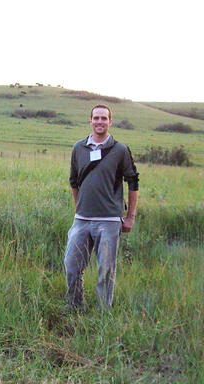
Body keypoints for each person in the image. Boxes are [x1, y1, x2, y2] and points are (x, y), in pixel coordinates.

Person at [64, 104, 139, 311]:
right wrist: (78, 208)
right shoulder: (78, 148)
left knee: (106, 271)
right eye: (96, 118)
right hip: (82, 220)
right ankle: (74, 308)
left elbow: (133, 182)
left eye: (104, 118)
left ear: (110, 122)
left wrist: (130, 217)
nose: (99, 122)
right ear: (90, 120)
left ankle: (103, 314)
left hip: (109, 221)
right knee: (71, 266)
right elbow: (73, 181)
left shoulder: (120, 150)